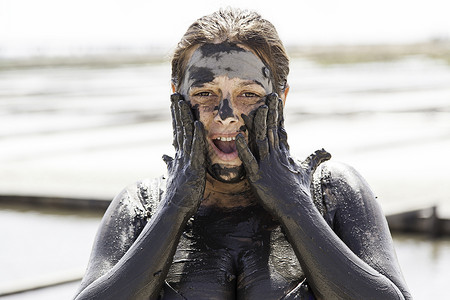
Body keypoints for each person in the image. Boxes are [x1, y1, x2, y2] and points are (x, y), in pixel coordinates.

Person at [74, 8, 411, 300]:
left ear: (281, 97)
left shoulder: (332, 191)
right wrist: (175, 206)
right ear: (176, 96)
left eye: (248, 94)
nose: (226, 115)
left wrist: (292, 203)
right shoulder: (141, 205)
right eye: (205, 93)